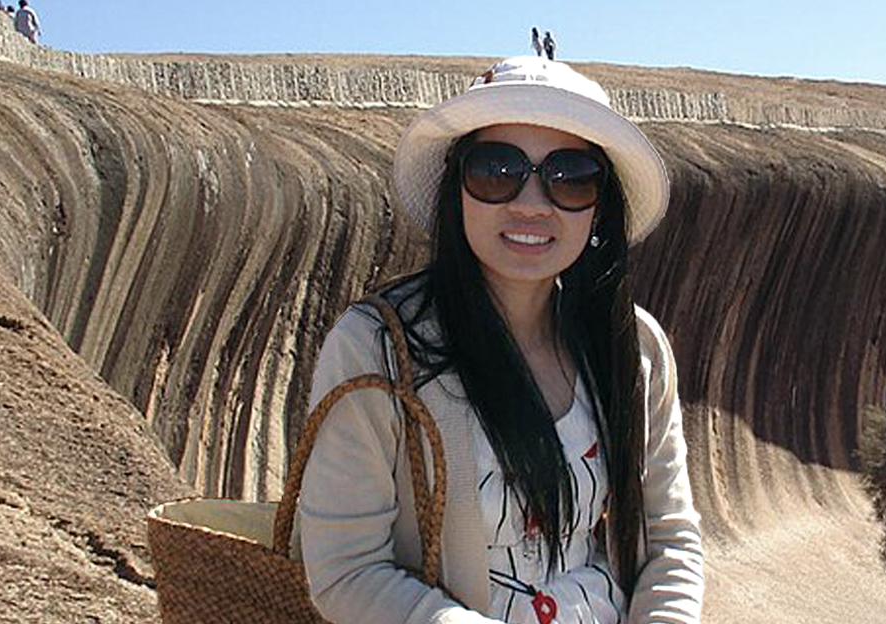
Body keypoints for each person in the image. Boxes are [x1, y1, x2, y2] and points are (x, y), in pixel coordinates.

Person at [299, 56, 703, 624]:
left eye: (570, 178)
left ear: (600, 206)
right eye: (496, 170)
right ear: (455, 189)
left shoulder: (632, 346)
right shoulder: (379, 348)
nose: (531, 203)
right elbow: (346, 571)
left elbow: (670, 535)